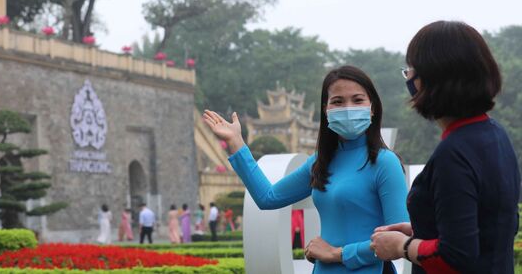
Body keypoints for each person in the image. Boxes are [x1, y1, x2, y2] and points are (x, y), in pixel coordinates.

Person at [203, 65, 409, 273]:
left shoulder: (385, 163)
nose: (348, 108)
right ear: (325, 109)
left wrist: (336, 253)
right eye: (338, 101)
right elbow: (268, 197)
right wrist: (236, 142)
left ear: (372, 107)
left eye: (357, 100)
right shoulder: (320, 162)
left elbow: (399, 239)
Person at [371, 21, 520, 274]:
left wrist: (402, 246)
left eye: (411, 69)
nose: (408, 77)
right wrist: (421, 230)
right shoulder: (495, 135)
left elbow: (455, 256)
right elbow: (491, 225)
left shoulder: (453, 153)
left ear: (431, 78)